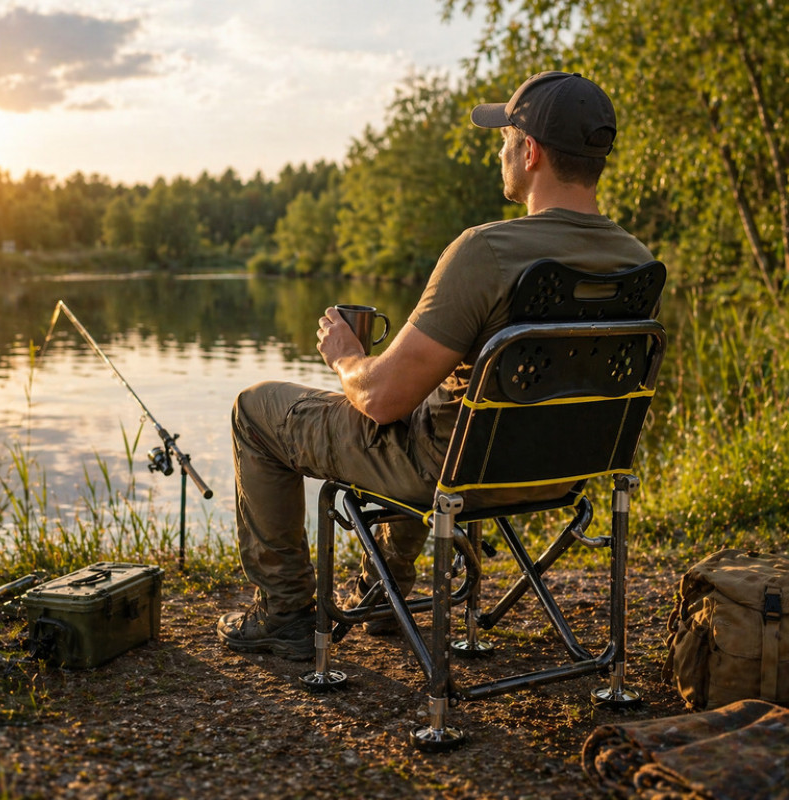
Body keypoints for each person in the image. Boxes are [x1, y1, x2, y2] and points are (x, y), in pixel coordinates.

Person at [216, 70, 655, 660]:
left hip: (452, 476)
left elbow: (380, 400)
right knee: (436, 402)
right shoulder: (638, 262)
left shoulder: (486, 251)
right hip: (561, 473)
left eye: (504, 138)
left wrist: (347, 354)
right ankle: (386, 589)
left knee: (255, 407)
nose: (499, 151)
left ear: (530, 152)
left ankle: (286, 612)